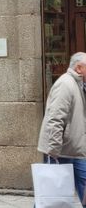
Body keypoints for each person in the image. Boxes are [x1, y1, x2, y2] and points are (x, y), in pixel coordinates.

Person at [38, 52, 86, 206]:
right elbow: (55, 119)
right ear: (79, 68)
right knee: (52, 193)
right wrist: (53, 150)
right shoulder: (66, 84)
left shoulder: (78, 84)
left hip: (75, 149)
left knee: (52, 193)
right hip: (63, 150)